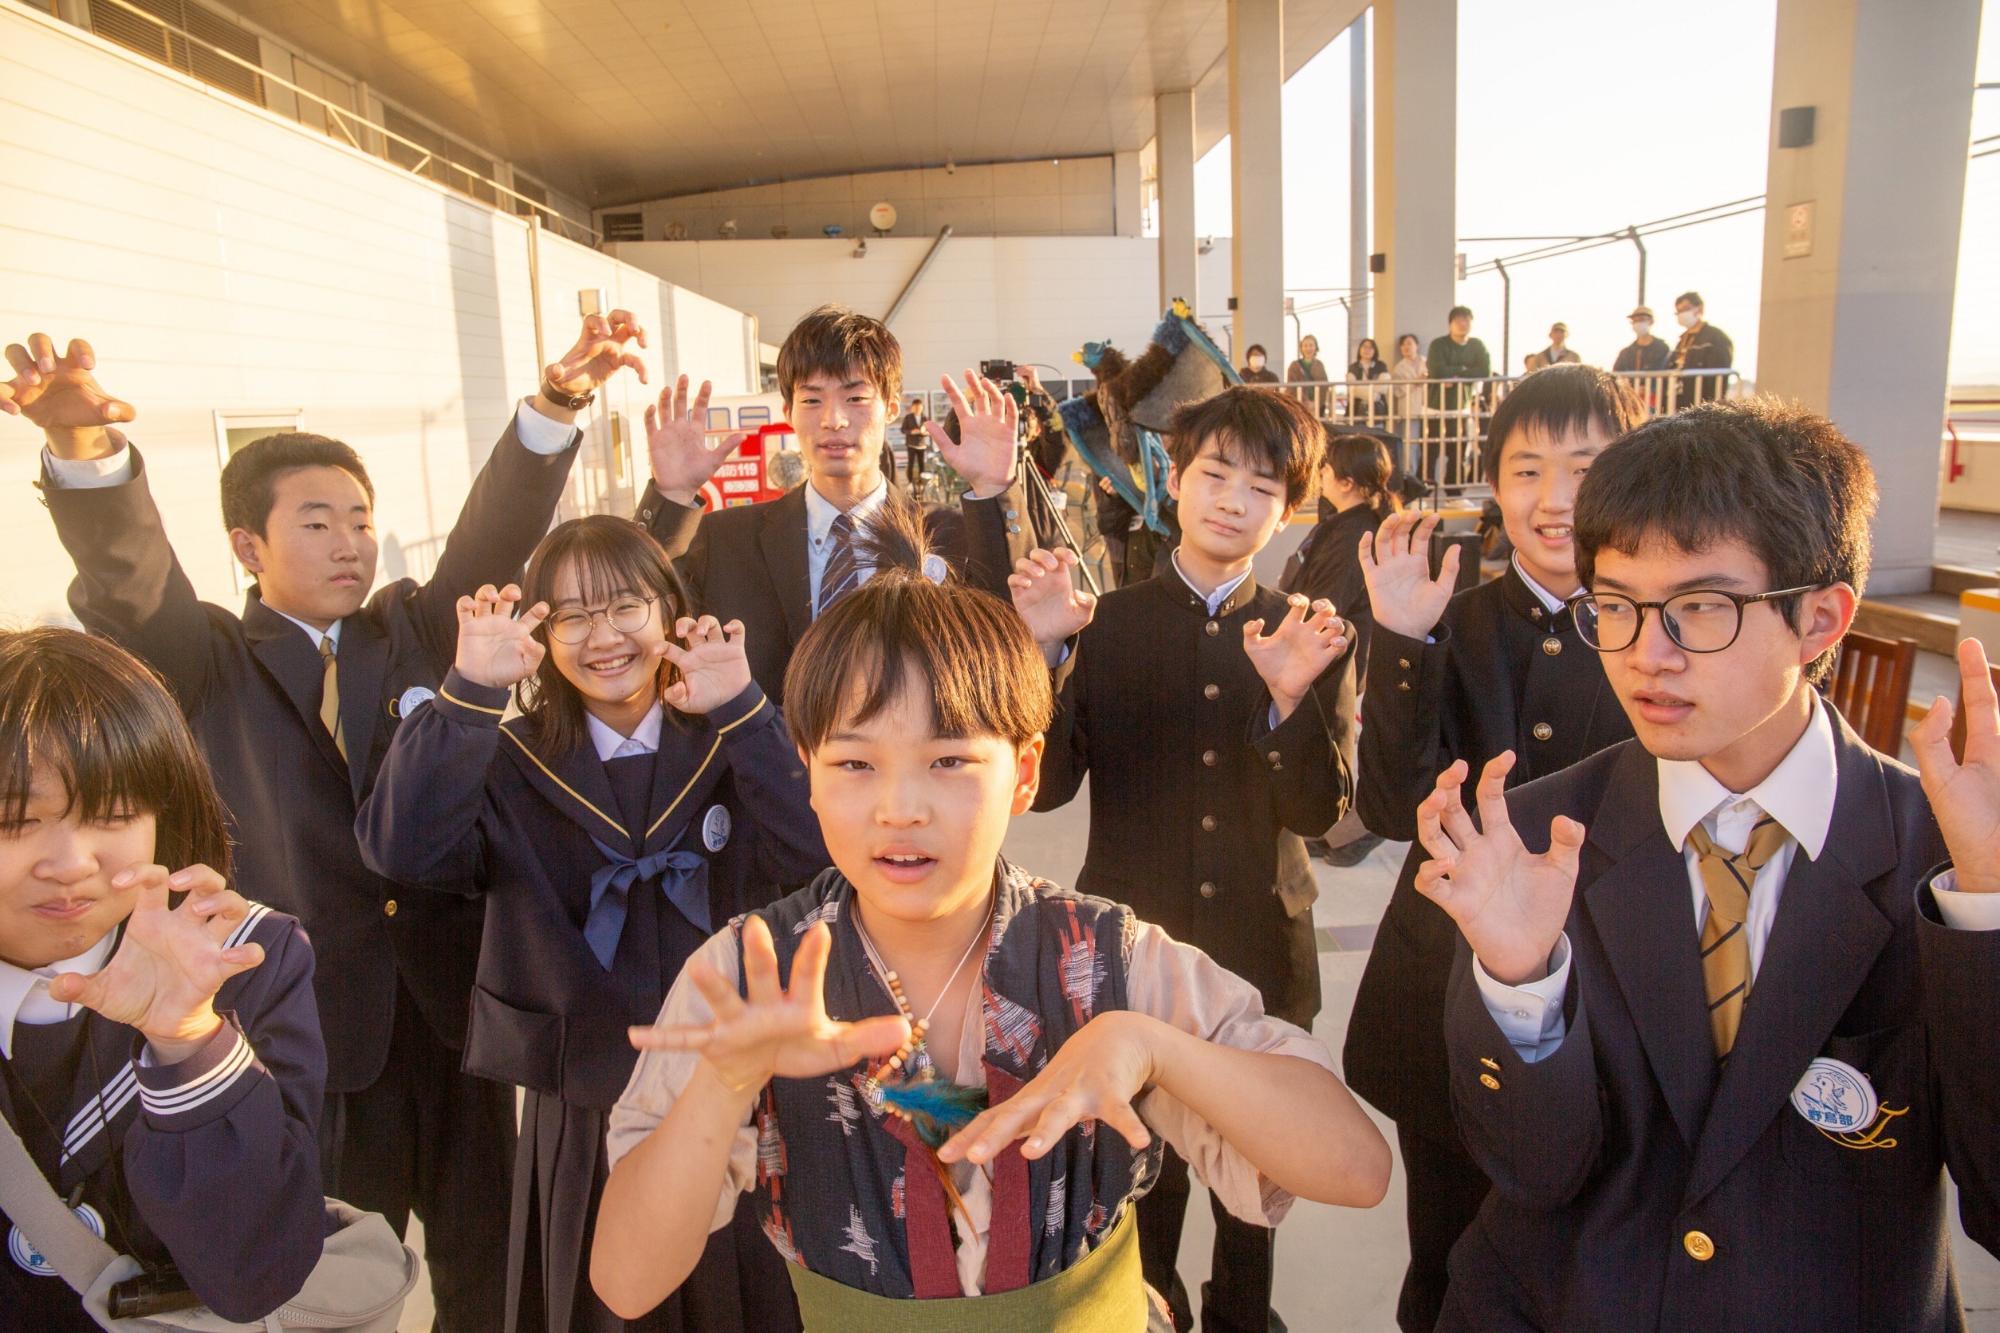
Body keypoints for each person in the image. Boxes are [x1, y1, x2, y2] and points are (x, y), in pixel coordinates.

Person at [588, 506, 1391, 1325]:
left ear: (1025, 772)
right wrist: (724, 1085)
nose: (900, 809)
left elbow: (1356, 1169)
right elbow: (626, 1278)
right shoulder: (748, 976)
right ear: (808, 772)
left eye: (949, 761)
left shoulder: (1109, 959)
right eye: (856, 763)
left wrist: (1149, 1047)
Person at [5, 320, 644, 1330]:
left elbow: (493, 530)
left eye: (359, 517)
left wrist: (556, 404)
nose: (349, 540)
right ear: (246, 546)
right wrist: (87, 454)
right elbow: (132, 578)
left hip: (452, 1020)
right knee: (321, 1283)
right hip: (301, 1031)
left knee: (490, 1264)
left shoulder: (415, 632)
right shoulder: (206, 657)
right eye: (316, 522)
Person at [1415, 398, 2000, 1329]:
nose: (1648, 656)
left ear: (1820, 620)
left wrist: (1989, 917)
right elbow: (1530, 1170)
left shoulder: (1948, 858)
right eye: (1615, 606)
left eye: (1701, 607)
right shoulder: (1532, 837)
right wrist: (1522, 981)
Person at [358, 516, 829, 1333]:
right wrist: (468, 691)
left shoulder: (731, 737)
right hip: (583, 1105)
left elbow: (821, 847)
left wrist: (748, 711)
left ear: (670, 611)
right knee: (600, 1303)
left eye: (625, 607)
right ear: (541, 633)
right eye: (571, 615)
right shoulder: (505, 757)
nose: (602, 636)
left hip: (738, 1093)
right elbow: (403, 847)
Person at [1012, 386, 1355, 1333]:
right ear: (1175, 478)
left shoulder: (1310, 631)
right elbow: (1046, 787)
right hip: (1131, 964)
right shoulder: (1105, 626)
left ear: (1289, 508)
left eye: (1263, 484)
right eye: (1215, 473)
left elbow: (1322, 810)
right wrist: (1043, 652)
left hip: (1262, 957)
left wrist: (1289, 701)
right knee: (1138, 1191)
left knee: (1256, 1202)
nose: (1234, 498)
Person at [1342, 363, 1645, 1332]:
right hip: (1440, 1003)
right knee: (1443, 1261)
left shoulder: (1661, 631)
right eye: (1525, 470)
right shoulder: (1447, 621)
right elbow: (1390, 810)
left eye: (1585, 466)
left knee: (1592, 1264)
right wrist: (1396, 640)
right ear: (1489, 484)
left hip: (1610, 1007)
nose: (1554, 499)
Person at [0, 628, 325, 1329]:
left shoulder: (245, 960)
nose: (71, 861)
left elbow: (254, 1270)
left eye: (113, 812)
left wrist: (188, 1041)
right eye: (15, 819)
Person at [634, 305, 1037, 703]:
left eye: (856, 397)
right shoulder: (726, 540)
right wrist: (672, 496)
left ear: (891, 407)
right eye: (811, 401)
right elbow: (641, 608)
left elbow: (1014, 629)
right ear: (788, 411)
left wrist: (993, 487)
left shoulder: (948, 536)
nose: (834, 420)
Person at [1282, 433, 1401, 870]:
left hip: (1340, 654)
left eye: (1327, 470)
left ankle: (1354, 829)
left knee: (1338, 742)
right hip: (1339, 651)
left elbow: (1325, 598)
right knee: (1333, 741)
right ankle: (1334, 827)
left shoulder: (1357, 532)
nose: (1321, 478)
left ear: (1347, 481)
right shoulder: (1348, 523)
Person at [1424, 309, 1493, 487]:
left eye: (1467, 320)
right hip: (1435, 407)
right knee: (1431, 449)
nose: (1463, 324)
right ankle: (1425, 487)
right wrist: (1465, 370)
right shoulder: (1439, 344)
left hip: (1461, 407)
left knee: (1458, 450)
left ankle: (1454, 490)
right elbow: (1437, 371)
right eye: (1459, 320)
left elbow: (1484, 371)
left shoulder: (1477, 345)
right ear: (1450, 323)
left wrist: (1454, 374)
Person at [1669, 290, 1734, 406]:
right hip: (1679, 402)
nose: (1681, 314)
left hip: (1703, 404)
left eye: (1685, 309)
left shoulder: (1715, 338)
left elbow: (1719, 375)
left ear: (1699, 309)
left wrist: (1713, 404)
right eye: (1678, 311)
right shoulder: (1682, 341)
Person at [1613, 305, 1672, 375]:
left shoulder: (1662, 348)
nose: (1638, 323)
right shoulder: (1626, 353)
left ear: (1651, 321)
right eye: (1635, 321)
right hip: (1630, 386)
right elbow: (1616, 374)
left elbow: (1666, 370)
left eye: (1641, 319)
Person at [1391, 333, 1428, 444]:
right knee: (1411, 444)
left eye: (1409, 343)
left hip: (1428, 409)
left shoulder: (1427, 362)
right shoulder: (1398, 368)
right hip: (1409, 409)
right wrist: (1415, 382)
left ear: (1417, 345)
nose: (1406, 347)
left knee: (1429, 444)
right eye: (1402, 345)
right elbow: (1397, 391)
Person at [1346, 338, 1390, 421]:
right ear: (1359, 349)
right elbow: (1352, 389)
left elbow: (1383, 388)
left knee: (1377, 433)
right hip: (1356, 409)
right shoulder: (1353, 367)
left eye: (1370, 348)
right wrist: (1373, 395)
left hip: (1377, 410)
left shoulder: (1381, 366)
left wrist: (1361, 389)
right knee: (1358, 433)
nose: (1367, 350)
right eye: (1364, 347)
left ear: (1375, 350)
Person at [1287, 335, 1330, 416]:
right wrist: (1303, 402)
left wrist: (1316, 403)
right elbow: (1291, 387)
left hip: (1317, 406)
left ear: (1316, 347)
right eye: (1305, 345)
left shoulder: (1319, 365)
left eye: (1311, 345)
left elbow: (1324, 386)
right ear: (1301, 348)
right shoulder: (1294, 365)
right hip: (1298, 406)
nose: (1308, 348)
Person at [900, 397, 929, 491]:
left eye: (919, 408)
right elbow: (903, 430)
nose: (918, 409)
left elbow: (929, 431)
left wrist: (925, 433)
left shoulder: (925, 418)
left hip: (922, 445)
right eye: (916, 407)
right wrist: (911, 432)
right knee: (911, 463)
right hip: (911, 444)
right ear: (912, 407)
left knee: (922, 465)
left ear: (922, 408)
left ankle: (921, 483)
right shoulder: (908, 417)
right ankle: (910, 482)